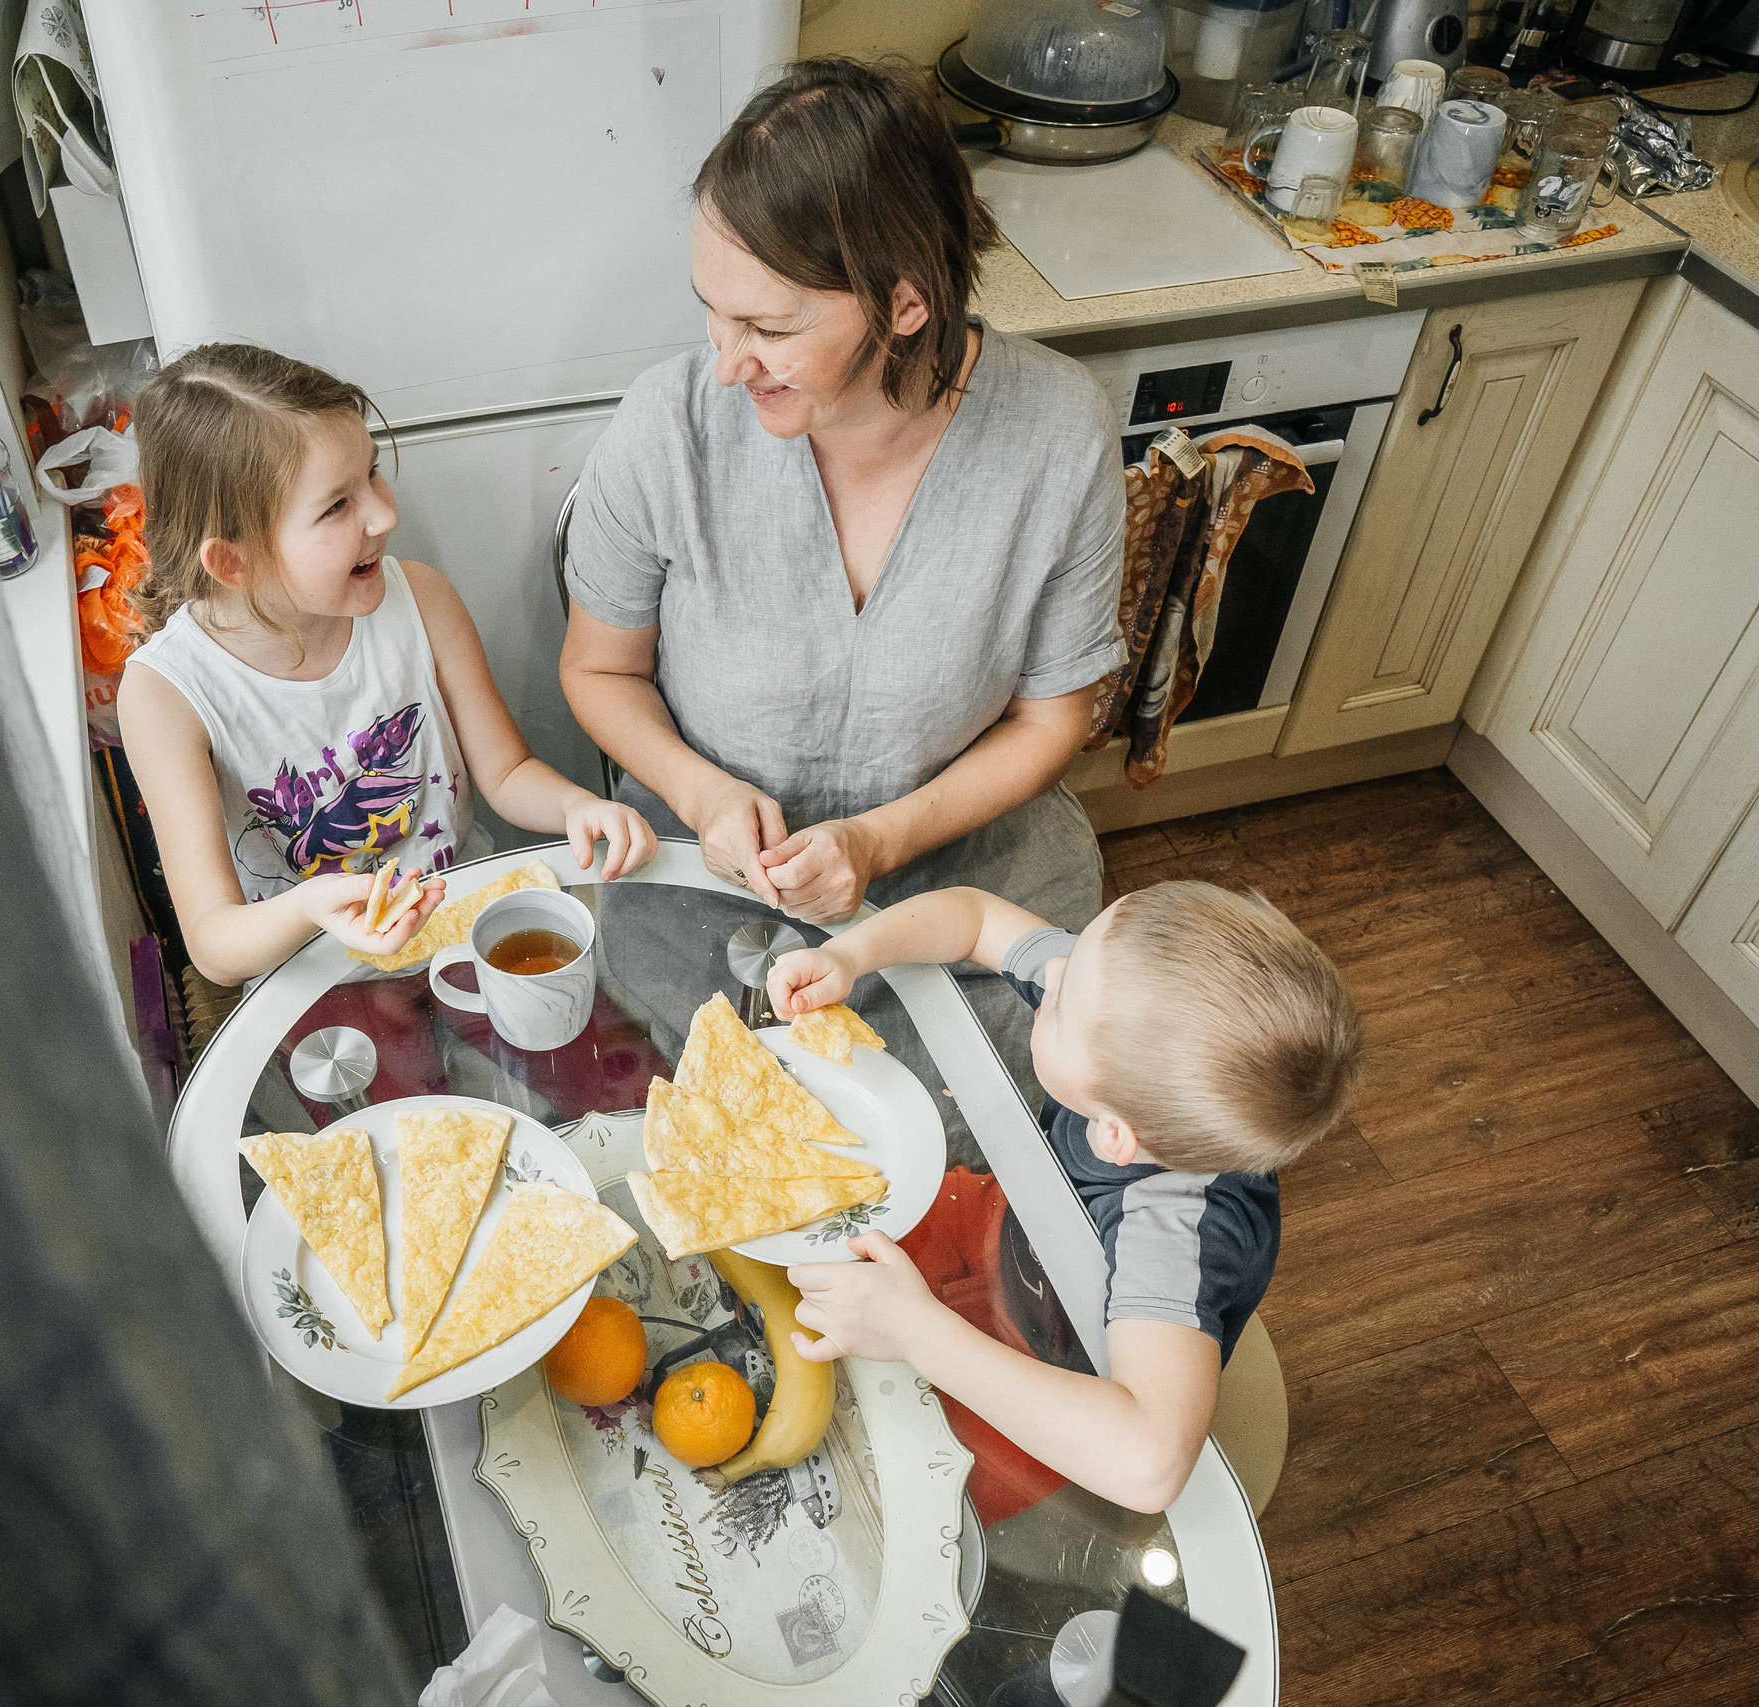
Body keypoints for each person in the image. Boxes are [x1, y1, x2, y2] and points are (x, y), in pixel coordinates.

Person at [558, 58, 1129, 1134]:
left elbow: (1057, 716)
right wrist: (696, 792)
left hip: (964, 897)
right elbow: (598, 669)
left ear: (905, 300)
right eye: (713, 317)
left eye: (770, 330)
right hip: (701, 900)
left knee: (936, 1168)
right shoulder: (669, 425)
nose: (727, 365)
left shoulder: (1055, 434)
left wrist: (877, 843)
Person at [761, 881, 1362, 1513]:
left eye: (1062, 1002)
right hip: (1004, 1226)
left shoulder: (1171, 1231)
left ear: (1114, 1135)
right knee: (807, 1225)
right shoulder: (1107, 996)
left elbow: (1148, 1467)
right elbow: (975, 916)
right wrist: (852, 956)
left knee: (908, 1495)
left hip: (1053, 1373)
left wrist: (916, 1331)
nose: (1052, 969)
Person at [120, 345, 656, 986]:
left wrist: (575, 807)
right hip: (314, 985)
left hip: (465, 938)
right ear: (234, 563)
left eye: (372, 474)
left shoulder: (421, 599)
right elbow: (213, 945)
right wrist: (315, 906)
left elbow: (507, 771)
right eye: (336, 506)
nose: (385, 513)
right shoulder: (166, 696)